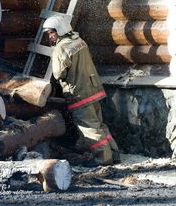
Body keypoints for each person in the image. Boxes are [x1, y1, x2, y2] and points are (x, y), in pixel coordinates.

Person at [43, 15, 120, 165]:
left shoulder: (60, 47)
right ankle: (114, 153)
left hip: (79, 93)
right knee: (99, 124)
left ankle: (102, 159)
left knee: (89, 128)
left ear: (59, 30)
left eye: (51, 32)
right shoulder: (80, 41)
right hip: (94, 88)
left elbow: (59, 73)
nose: (50, 36)